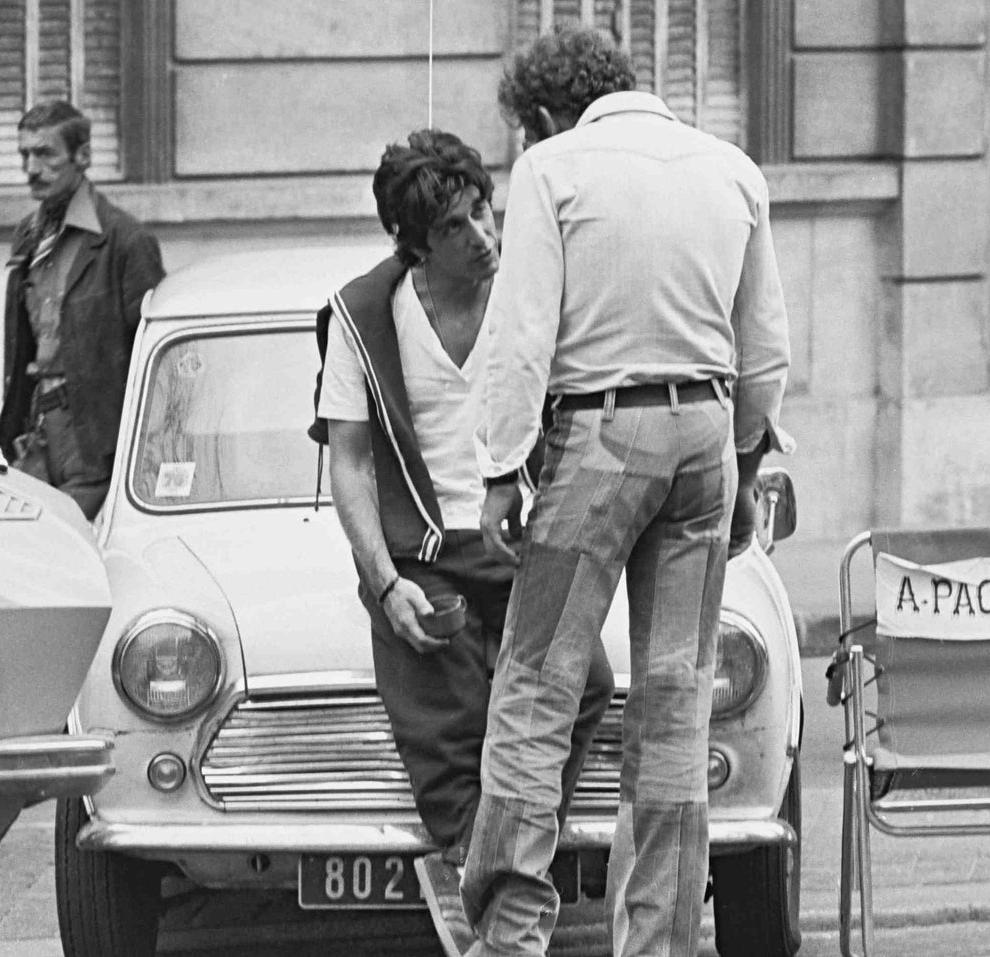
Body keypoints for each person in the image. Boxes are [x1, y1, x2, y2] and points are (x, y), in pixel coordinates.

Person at [461, 28, 792, 957]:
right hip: (706, 434)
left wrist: (499, 466)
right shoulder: (730, 169)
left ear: (539, 114)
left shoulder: (551, 170)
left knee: (535, 688)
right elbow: (764, 349)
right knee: (674, 700)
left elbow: (522, 334)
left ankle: (511, 932)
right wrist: (745, 464)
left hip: (600, 434)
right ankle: (655, 941)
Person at [309, 129, 615, 957]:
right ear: (413, 242)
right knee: (446, 737)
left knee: (586, 682)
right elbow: (347, 460)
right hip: (421, 554)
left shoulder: (533, 286)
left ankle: (488, 888)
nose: (482, 236)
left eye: (485, 210)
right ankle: (501, 900)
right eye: (456, 228)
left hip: (523, 542)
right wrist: (382, 583)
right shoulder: (362, 314)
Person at [0, 100, 164, 520]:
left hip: (93, 443)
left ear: (83, 156)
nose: (31, 168)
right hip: (35, 432)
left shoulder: (124, 241)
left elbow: (152, 361)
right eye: (24, 155)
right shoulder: (30, 236)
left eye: (45, 154)